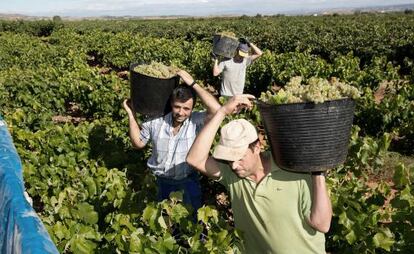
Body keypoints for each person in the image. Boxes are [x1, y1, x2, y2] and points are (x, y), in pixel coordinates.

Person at [186, 95, 333, 253]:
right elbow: (194, 159)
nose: (234, 165)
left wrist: (318, 172)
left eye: (239, 158)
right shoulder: (232, 176)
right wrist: (222, 111)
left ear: (257, 147)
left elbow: (322, 224)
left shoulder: (293, 169)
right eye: (229, 160)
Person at [123, 70, 221, 213]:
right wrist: (131, 115)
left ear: (193, 108)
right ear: (171, 104)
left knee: (189, 221)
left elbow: (217, 110)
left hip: (186, 181)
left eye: (186, 108)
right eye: (177, 107)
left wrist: (193, 83)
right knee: (158, 223)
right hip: (158, 181)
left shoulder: (196, 121)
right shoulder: (155, 120)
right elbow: (138, 142)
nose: (181, 113)